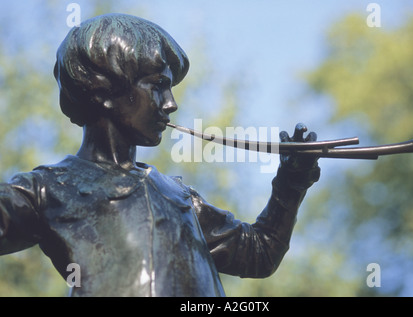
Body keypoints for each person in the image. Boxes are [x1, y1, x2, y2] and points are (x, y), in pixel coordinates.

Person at [0, 13, 320, 296]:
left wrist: (290, 184)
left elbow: (260, 252)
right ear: (104, 90)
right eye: (157, 86)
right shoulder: (46, 190)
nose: (170, 103)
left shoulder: (178, 197)